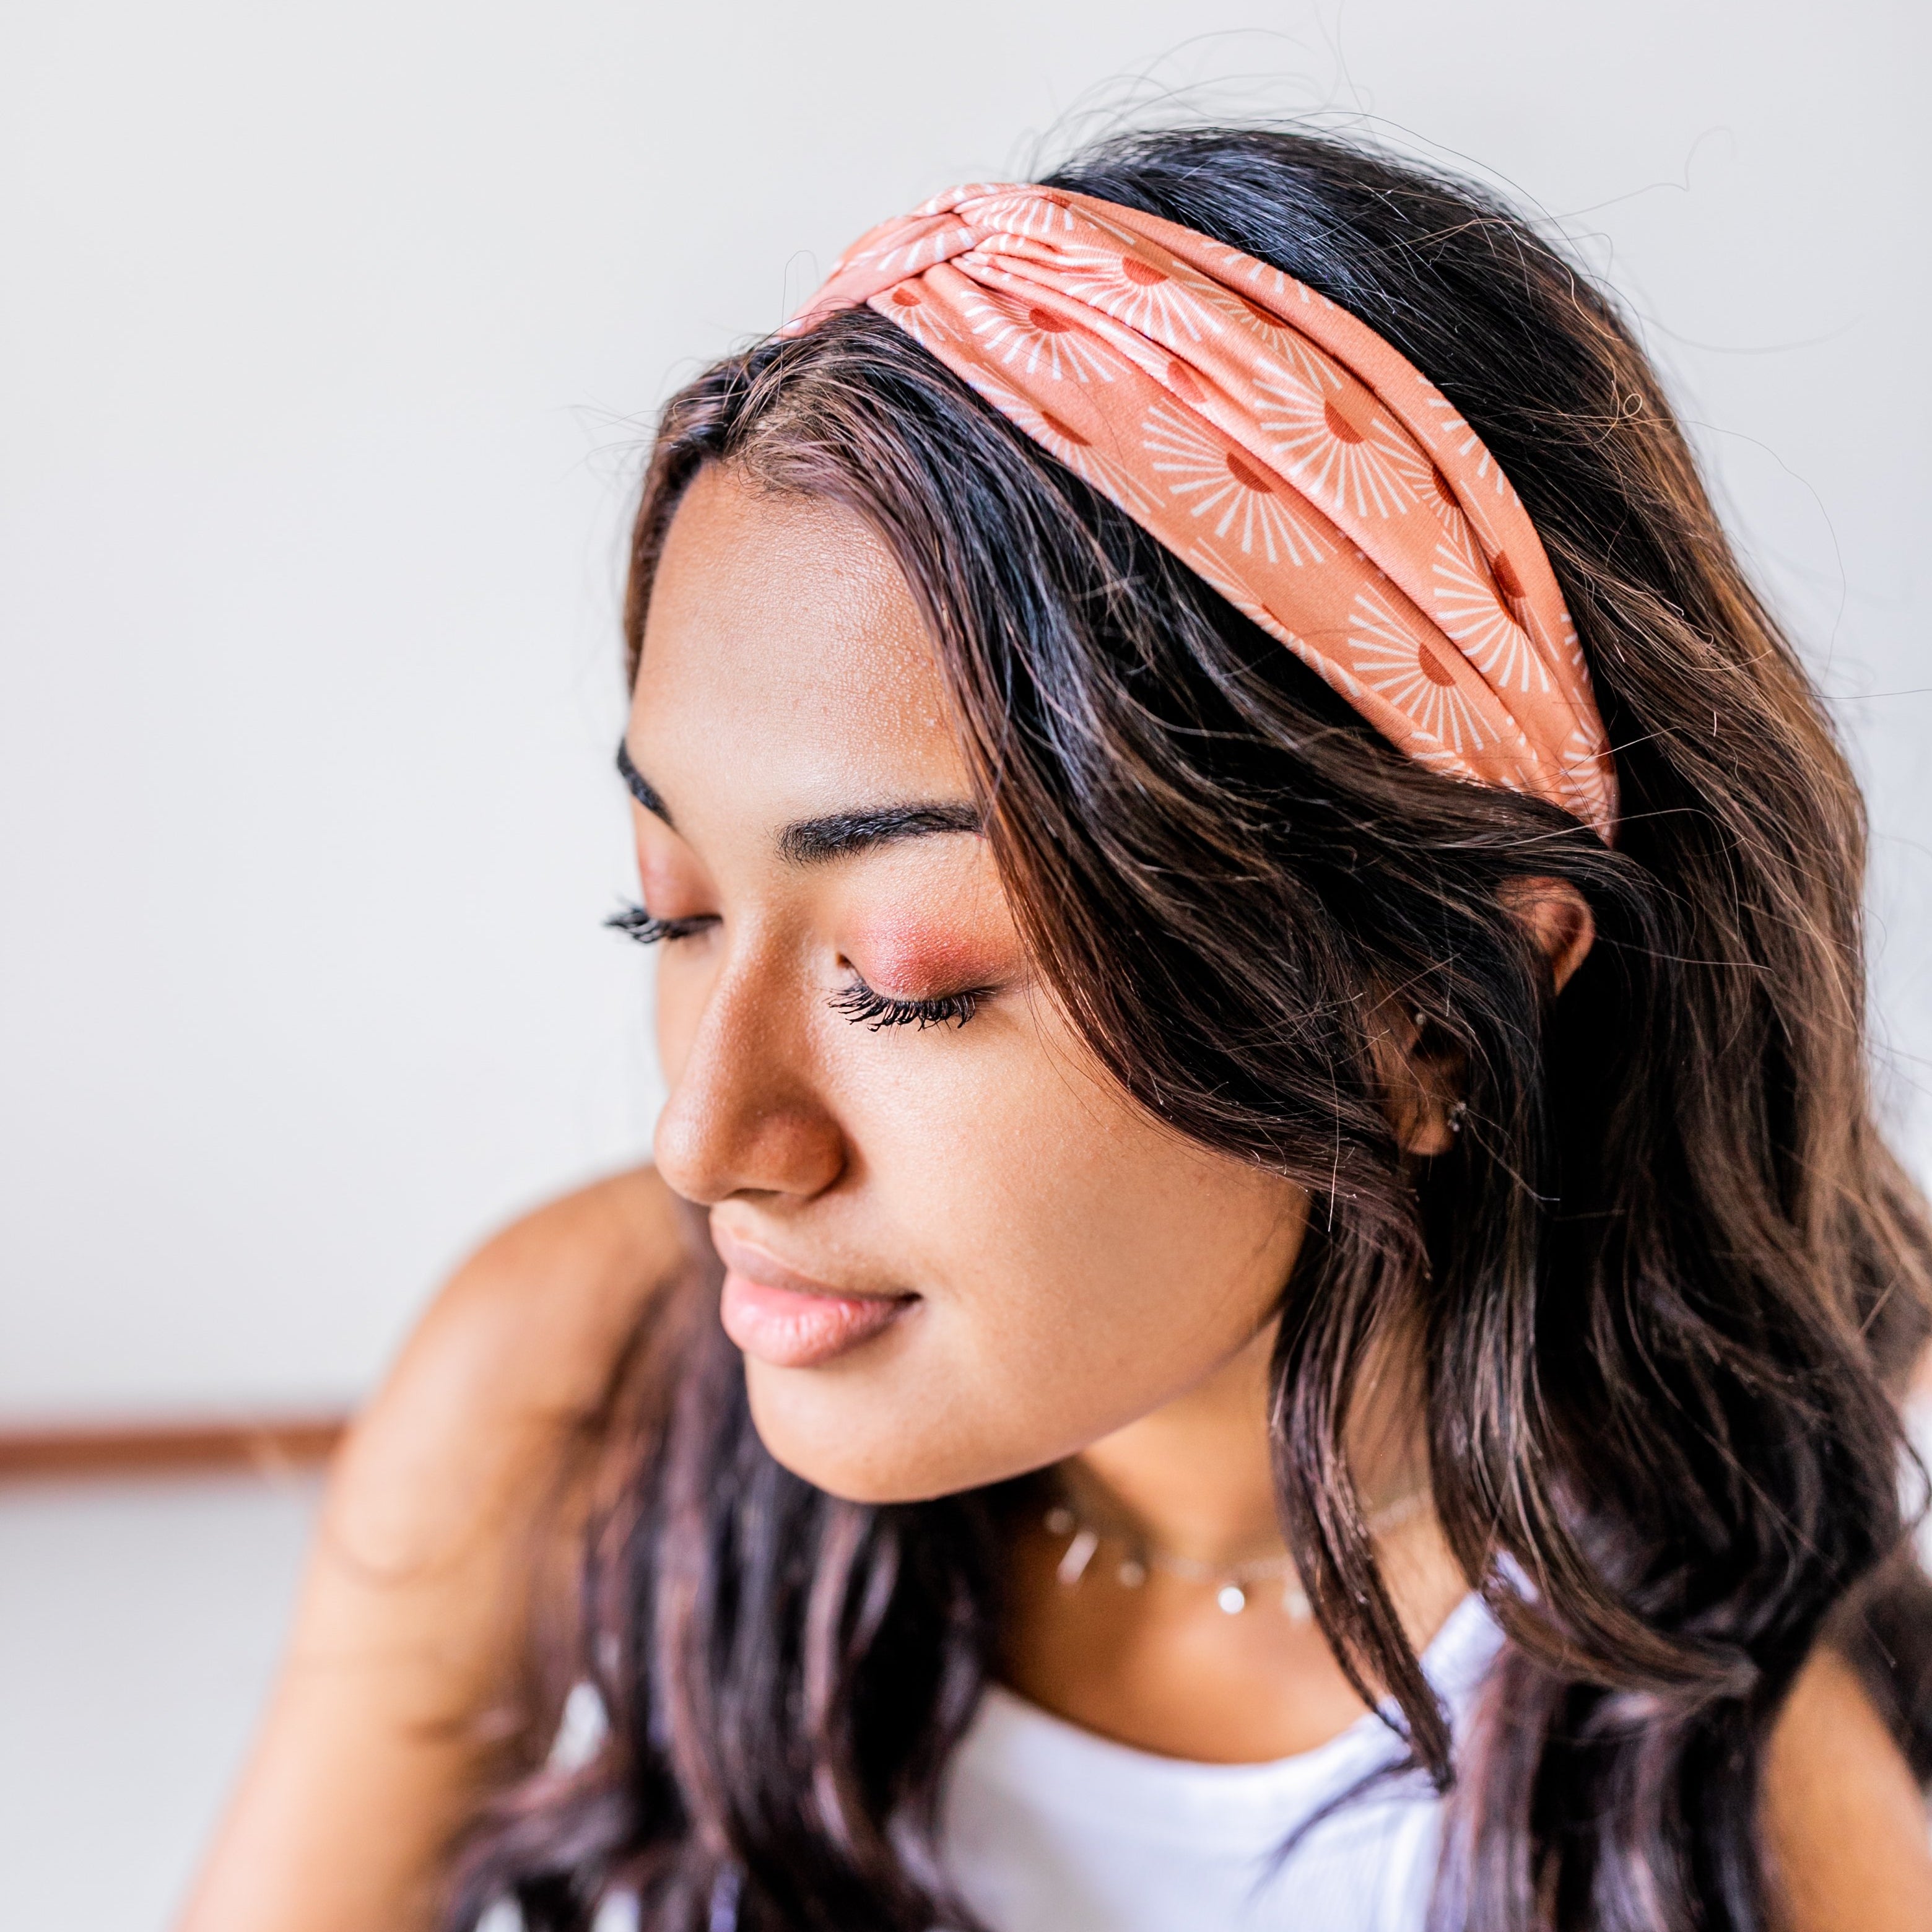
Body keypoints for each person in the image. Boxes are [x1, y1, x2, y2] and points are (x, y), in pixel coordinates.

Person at [180, 126, 1932, 1932]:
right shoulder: (573, 1381)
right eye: (675, 911)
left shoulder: (1777, 1658)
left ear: (1429, 1017)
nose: (705, 1142)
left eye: (911, 974)